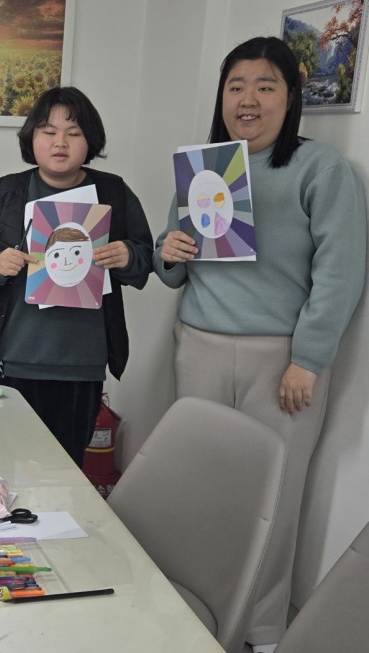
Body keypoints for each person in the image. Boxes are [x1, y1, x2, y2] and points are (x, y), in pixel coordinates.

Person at [153, 36, 366, 653]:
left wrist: (309, 358)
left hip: (281, 361)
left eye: (265, 85)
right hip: (198, 344)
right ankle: (192, 610)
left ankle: (264, 630)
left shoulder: (320, 169)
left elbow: (340, 272)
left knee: (274, 498)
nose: (248, 99)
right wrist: (170, 250)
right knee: (196, 484)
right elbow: (173, 268)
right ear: (221, 97)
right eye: (236, 86)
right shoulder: (203, 170)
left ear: (290, 98)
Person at [0, 86, 153, 468]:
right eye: (48, 131)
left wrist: (127, 256)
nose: (60, 142)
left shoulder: (113, 193)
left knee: (66, 473)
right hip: (14, 361)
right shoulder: (4, 194)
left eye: (73, 133)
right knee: (5, 468)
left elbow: (146, 259)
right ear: (31, 137)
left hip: (82, 366)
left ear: (90, 140)